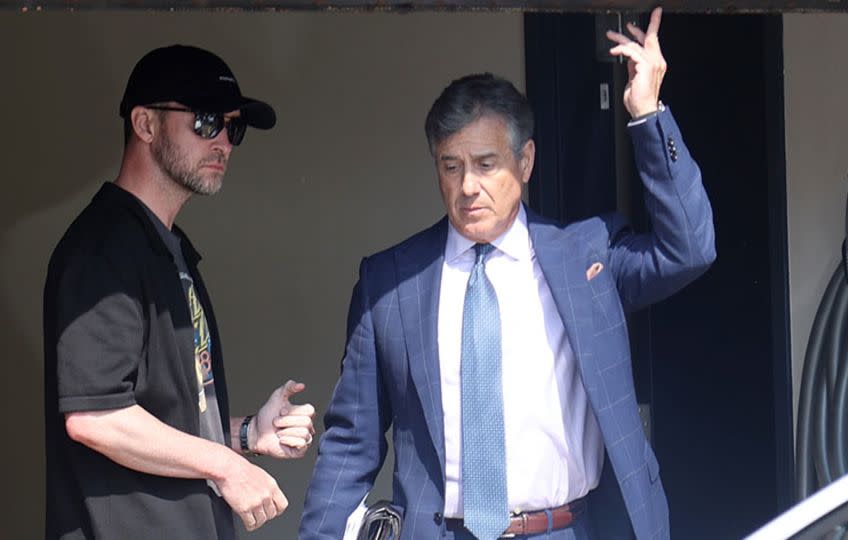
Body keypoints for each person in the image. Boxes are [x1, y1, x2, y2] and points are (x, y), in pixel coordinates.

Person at [300, 8, 713, 540]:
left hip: (566, 530)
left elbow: (690, 249)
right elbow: (351, 443)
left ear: (526, 162)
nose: (468, 185)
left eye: (487, 164)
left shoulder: (585, 257)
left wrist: (648, 114)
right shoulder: (391, 282)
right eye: (451, 166)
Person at [43, 45, 316, 540]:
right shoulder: (102, 248)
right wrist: (227, 466)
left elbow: (165, 415)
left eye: (234, 128)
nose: (224, 143)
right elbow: (96, 417)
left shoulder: (170, 250)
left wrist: (248, 433)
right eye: (207, 121)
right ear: (145, 124)